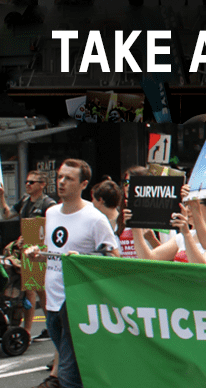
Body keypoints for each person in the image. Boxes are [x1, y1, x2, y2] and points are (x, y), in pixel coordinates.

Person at [36, 159, 119, 388]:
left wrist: (84, 259)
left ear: (83, 184)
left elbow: (113, 257)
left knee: (68, 374)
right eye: (60, 176)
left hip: (77, 302)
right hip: (52, 300)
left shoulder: (95, 218)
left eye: (69, 178)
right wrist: (38, 254)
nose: (61, 182)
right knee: (75, 368)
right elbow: (55, 251)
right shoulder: (52, 212)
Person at [0, 170, 56, 342]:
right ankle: (28, 331)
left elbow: (53, 229)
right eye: (27, 182)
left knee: (41, 292)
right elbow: (8, 214)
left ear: (42, 185)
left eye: (31, 182)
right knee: (29, 290)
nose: (27, 184)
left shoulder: (49, 204)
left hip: (39, 252)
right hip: (26, 251)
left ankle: (53, 327)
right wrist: (2, 196)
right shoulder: (25, 200)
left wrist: (35, 238)